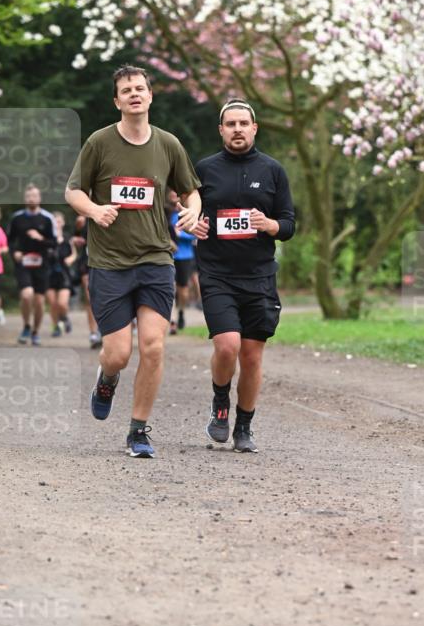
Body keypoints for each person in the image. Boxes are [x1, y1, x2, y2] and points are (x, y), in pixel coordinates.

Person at [65, 64, 201, 458]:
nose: (135, 94)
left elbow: (190, 191)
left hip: (156, 258)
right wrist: (93, 210)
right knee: (119, 353)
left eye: (140, 88)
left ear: (150, 96)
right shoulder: (99, 142)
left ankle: (138, 431)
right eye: (127, 90)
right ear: (117, 100)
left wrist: (192, 211)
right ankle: (107, 379)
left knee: (154, 347)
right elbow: (73, 191)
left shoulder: (168, 144)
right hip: (109, 262)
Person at [192, 99, 295, 453]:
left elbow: (289, 224)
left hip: (259, 276)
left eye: (243, 123)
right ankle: (220, 403)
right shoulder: (204, 169)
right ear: (221, 130)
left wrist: (270, 225)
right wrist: (196, 224)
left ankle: (244, 426)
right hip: (217, 273)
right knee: (227, 345)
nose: (237, 129)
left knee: (251, 355)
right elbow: (187, 210)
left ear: (254, 128)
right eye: (230, 124)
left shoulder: (273, 170)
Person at [7, 185, 57, 345]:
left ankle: (35, 331)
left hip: (42, 263)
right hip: (23, 263)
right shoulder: (17, 218)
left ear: (39, 198)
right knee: (26, 295)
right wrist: (14, 252)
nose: (31, 199)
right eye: (29, 196)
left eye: (34, 196)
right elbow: (9, 240)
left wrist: (40, 238)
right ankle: (26, 326)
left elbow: (54, 243)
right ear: (24, 198)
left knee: (39, 301)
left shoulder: (48, 218)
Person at [167, 187, 197, 333]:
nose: (174, 193)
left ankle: (181, 313)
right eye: (171, 191)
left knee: (183, 291)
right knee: (170, 288)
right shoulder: (165, 213)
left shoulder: (188, 211)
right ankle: (172, 321)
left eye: (176, 191)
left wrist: (181, 235)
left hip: (185, 256)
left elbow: (195, 234)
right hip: (168, 256)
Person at [71, 214, 101, 348]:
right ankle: (93, 333)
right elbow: (76, 237)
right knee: (90, 298)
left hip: (111, 263)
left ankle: (106, 330)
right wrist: (77, 236)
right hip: (88, 263)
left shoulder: (113, 211)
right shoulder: (84, 218)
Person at [46, 211, 78, 337]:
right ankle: (55, 327)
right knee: (53, 304)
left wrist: (71, 259)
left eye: (59, 221)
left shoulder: (67, 238)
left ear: (63, 223)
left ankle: (64, 318)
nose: (57, 223)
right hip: (49, 274)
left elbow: (74, 254)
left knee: (62, 303)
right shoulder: (47, 239)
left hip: (64, 275)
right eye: (54, 221)